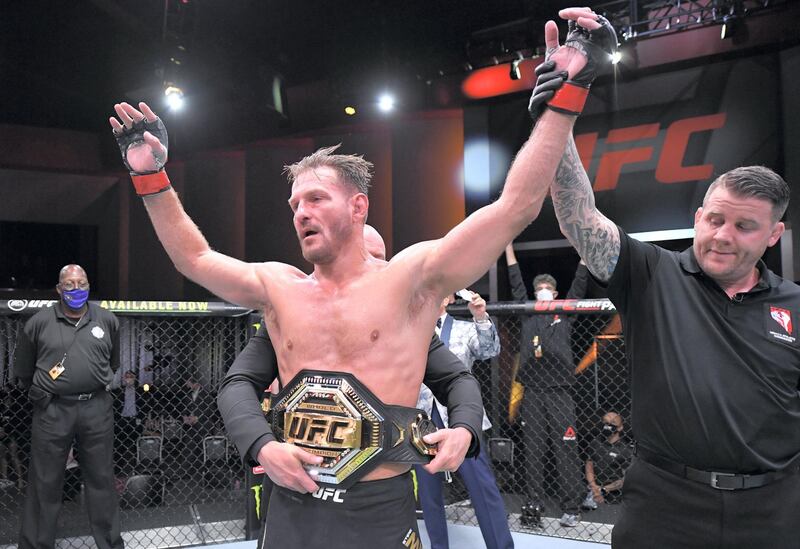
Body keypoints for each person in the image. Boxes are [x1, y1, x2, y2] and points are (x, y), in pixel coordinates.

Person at [108, 13, 604, 544]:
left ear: (359, 206)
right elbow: (195, 259)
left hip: (378, 510)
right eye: (295, 203)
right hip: (293, 509)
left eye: (316, 198)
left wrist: (568, 95)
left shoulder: (411, 279)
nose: (300, 212)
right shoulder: (280, 288)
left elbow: (515, 208)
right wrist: (151, 178)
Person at [528, 7, 800, 546]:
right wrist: (562, 107)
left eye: (745, 226)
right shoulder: (653, 274)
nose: (723, 235)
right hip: (664, 507)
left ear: (773, 235)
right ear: (698, 217)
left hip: (775, 509)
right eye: (715, 218)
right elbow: (579, 218)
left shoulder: (793, 304)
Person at [218, 225, 485, 547]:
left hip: (383, 497)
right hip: (299, 493)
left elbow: (458, 378)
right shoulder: (289, 317)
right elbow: (238, 382)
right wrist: (263, 445)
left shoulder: (408, 327)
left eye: (376, 260)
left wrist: (464, 430)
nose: (367, 270)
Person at [12, 264, 123, 549]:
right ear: (59, 289)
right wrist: (48, 393)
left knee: (102, 480)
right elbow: (23, 370)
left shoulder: (107, 320)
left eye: (82, 283)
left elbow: (113, 363)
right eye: (70, 284)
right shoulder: (38, 322)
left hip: (96, 408)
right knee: (44, 482)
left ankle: (110, 544)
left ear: (89, 285)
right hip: (52, 410)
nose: (76, 289)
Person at [414, 290, 513, 549]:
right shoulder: (410, 331)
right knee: (428, 495)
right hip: (422, 420)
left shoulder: (464, 328)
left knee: (483, 489)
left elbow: (490, 350)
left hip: (461, 420)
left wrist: (480, 317)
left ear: (447, 299)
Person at [504, 245, 588, 528]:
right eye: (537, 288)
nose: (541, 291)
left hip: (560, 392)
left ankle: (572, 506)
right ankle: (534, 503)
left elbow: (579, 284)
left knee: (566, 447)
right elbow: (515, 280)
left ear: (554, 295)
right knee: (533, 449)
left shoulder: (563, 312)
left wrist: (585, 255)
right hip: (533, 392)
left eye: (546, 289)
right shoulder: (528, 313)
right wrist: (507, 247)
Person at [582, 411, 631, 510]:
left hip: (614, 493)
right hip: (592, 488)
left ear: (620, 427)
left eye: (612, 424)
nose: (608, 426)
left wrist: (603, 490)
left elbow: (627, 479)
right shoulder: (595, 442)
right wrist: (594, 487)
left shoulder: (626, 450)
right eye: (605, 423)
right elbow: (589, 466)